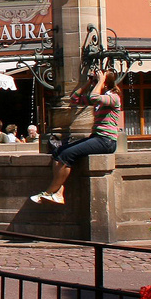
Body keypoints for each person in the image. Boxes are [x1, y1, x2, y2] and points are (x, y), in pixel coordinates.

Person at [32, 70, 122, 205]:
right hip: (98, 137)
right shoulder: (101, 98)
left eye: (96, 81)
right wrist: (88, 83)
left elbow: (93, 97)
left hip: (106, 141)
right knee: (58, 152)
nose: (95, 83)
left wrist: (100, 81)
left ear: (105, 83)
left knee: (67, 155)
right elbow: (74, 98)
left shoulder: (113, 97)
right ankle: (58, 191)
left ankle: (49, 192)